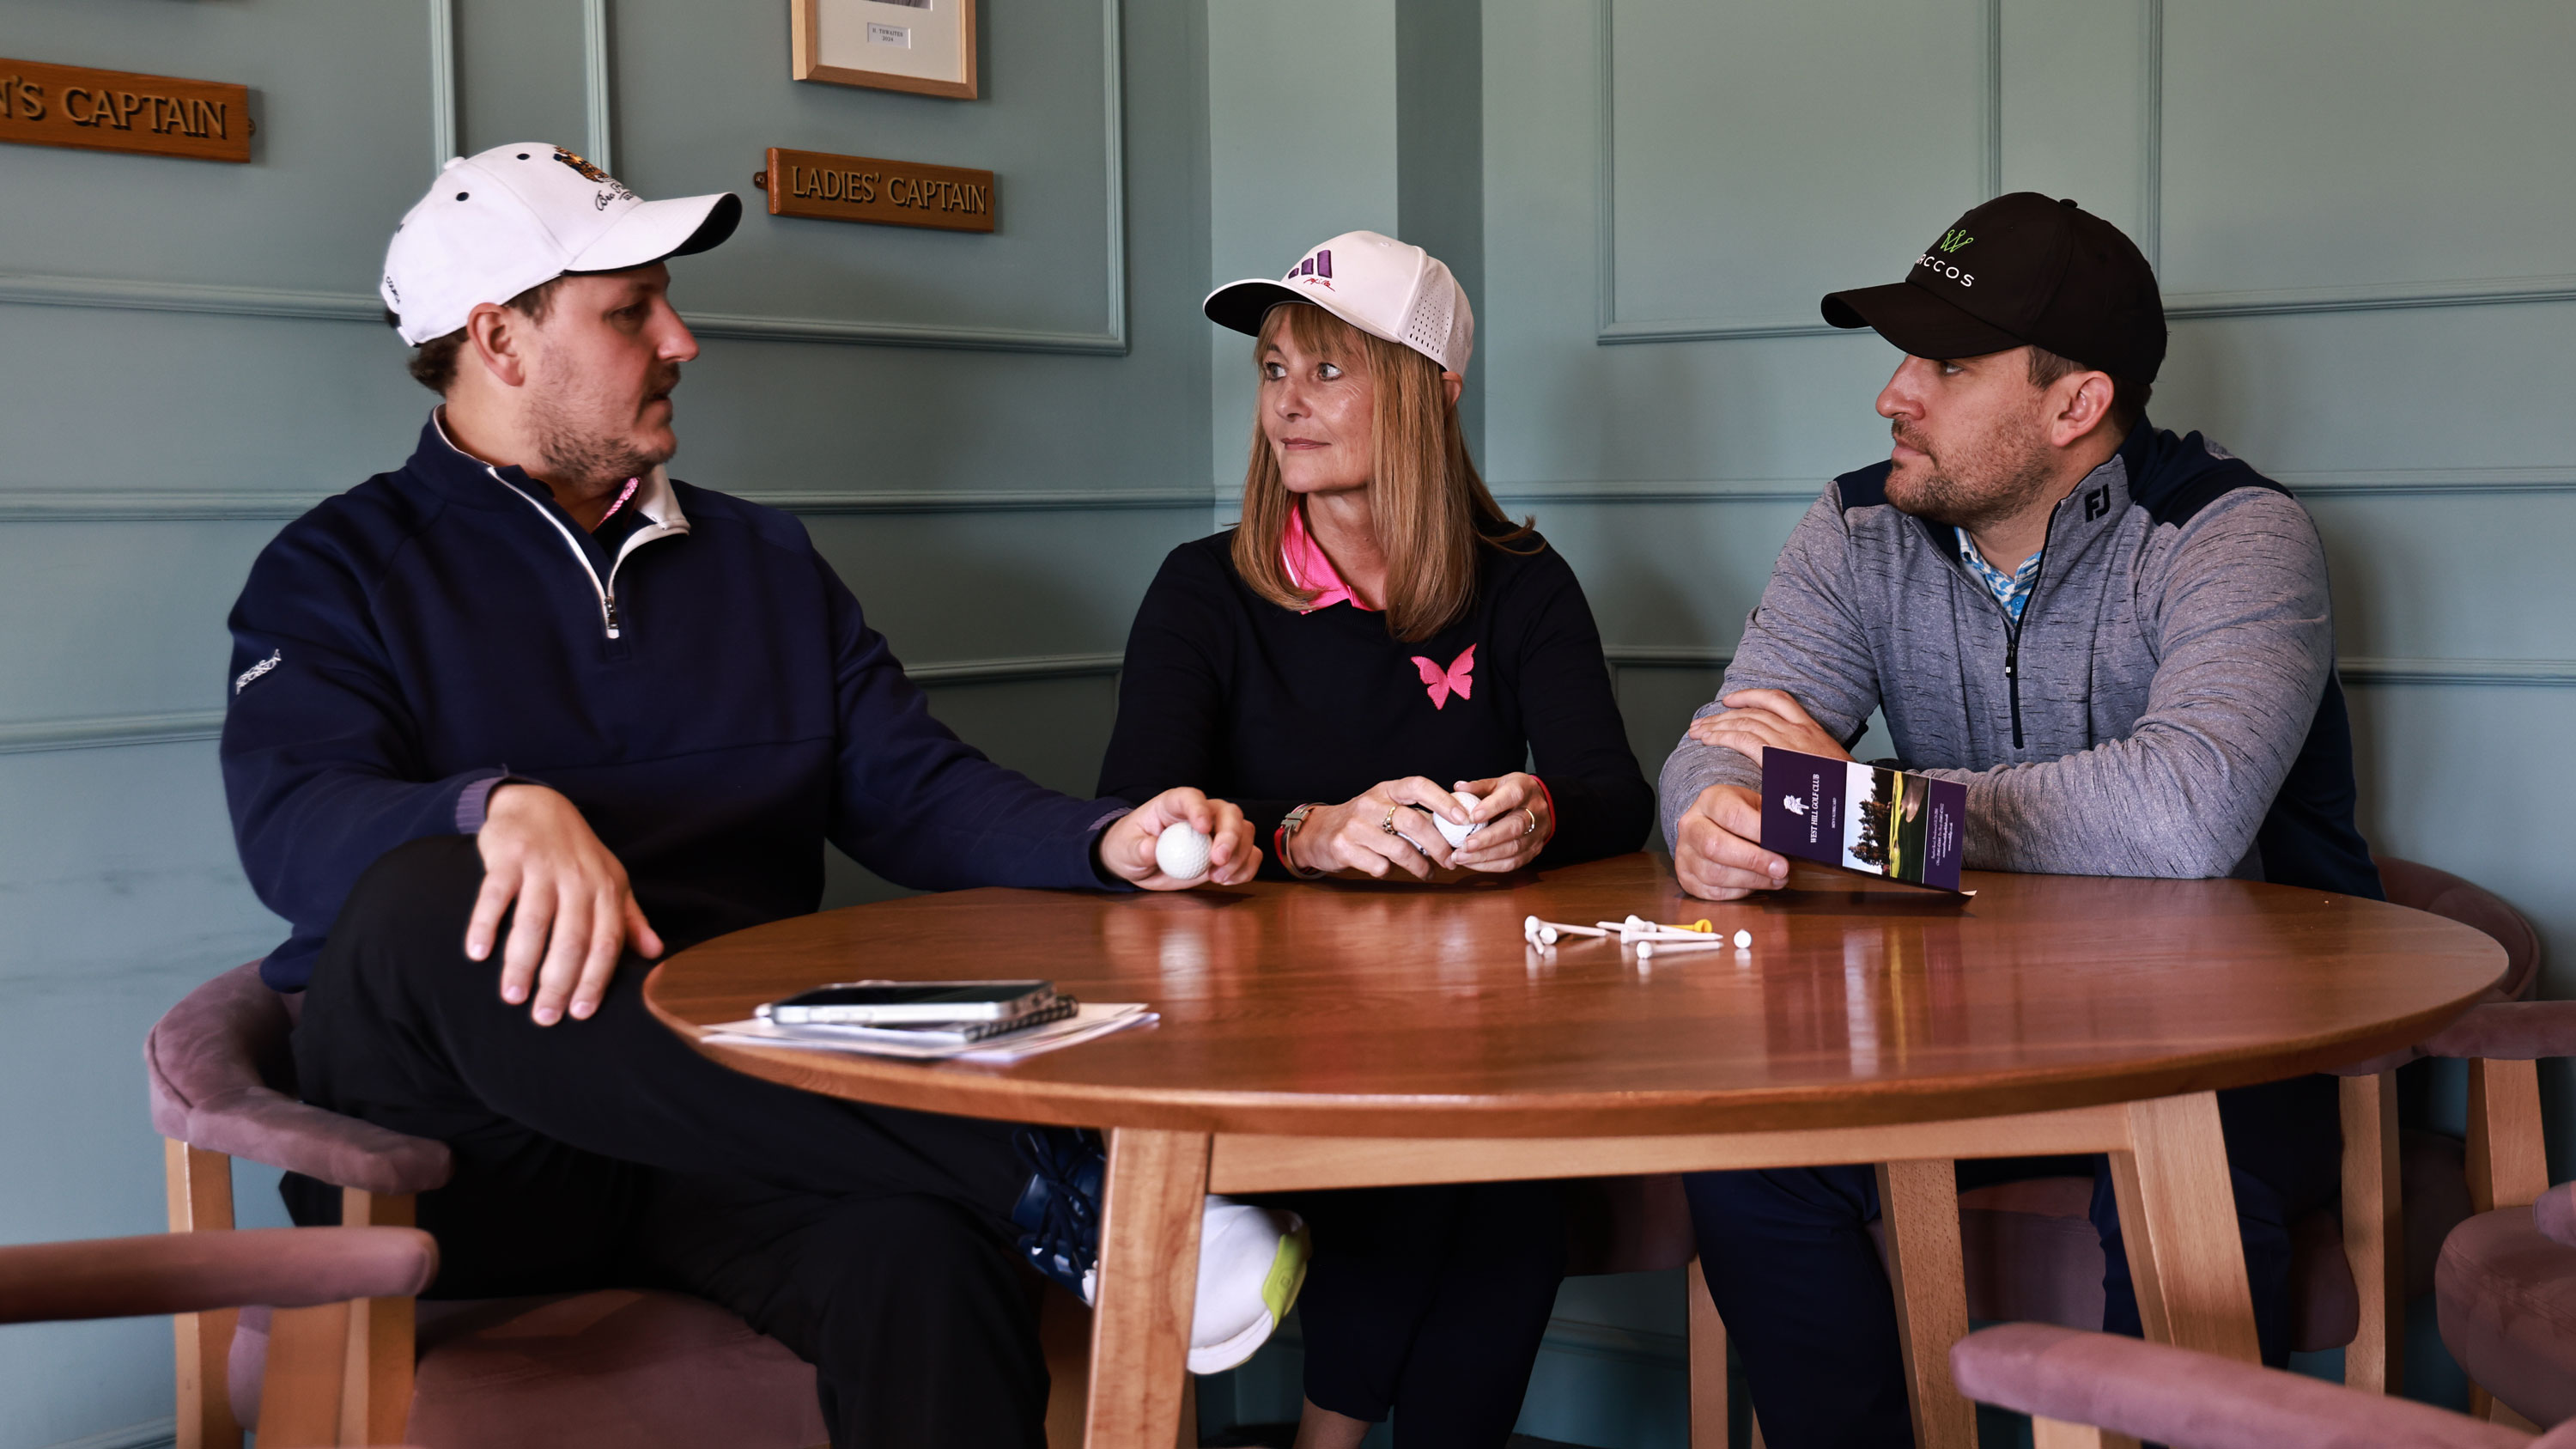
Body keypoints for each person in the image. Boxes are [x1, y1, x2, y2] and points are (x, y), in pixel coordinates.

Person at [220, 142, 1305, 1447]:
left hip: (720, 1138)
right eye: (630, 312)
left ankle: (1033, 1196)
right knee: (428, 894)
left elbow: (911, 788)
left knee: (918, 1259)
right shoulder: (334, 568)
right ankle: (1059, 1182)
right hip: (467, 1165)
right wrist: (493, 809)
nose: (681, 339)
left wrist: (1104, 838)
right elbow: (293, 831)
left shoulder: (764, 560)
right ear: (499, 340)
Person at [1658, 192, 2382, 1447]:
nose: (1894, 393)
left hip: (2223, 1045)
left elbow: (2182, 818)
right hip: (1965, 1033)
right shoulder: (1857, 527)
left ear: (2074, 405)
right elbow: (1717, 750)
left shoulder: (2236, 535)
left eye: (1944, 363)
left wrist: (1861, 811)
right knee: (1749, 1162)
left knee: (2194, 1197)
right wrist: (1712, 816)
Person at [1099, 231, 1655, 1447]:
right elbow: (1134, 811)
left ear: (1433, 392)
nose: (1287, 403)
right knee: (1446, 1144)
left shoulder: (1523, 582)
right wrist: (1303, 835)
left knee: (1501, 1163)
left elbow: (1616, 797)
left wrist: (1536, 812)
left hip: (1481, 1027)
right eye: (1273, 370)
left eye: (1329, 372)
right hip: (1255, 1029)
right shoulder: (1203, 591)